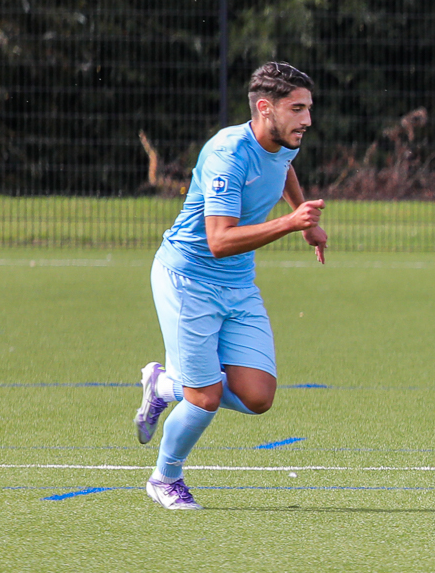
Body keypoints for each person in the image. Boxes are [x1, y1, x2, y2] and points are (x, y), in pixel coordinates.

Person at [132, 61, 328, 510]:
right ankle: (165, 478)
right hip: (188, 280)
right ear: (265, 108)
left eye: (308, 108)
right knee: (205, 398)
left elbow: (285, 169)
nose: (307, 120)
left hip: (238, 284)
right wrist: (290, 221)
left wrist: (305, 225)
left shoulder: (283, 140)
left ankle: (164, 386)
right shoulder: (227, 153)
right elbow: (219, 240)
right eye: (297, 109)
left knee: (258, 397)